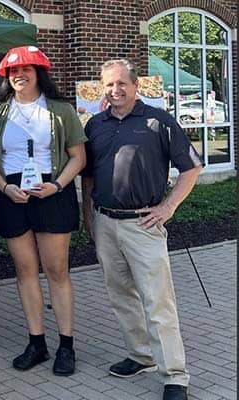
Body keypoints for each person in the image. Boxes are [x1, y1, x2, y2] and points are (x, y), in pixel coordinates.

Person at [81, 59, 202, 400]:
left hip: (143, 225)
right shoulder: (95, 125)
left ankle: (175, 374)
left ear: (135, 86)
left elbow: (191, 168)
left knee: (157, 301)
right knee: (121, 296)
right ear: (102, 88)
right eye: (109, 85)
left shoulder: (157, 121)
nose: (115, 90)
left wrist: (168, 206)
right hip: (105, 222)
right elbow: (88, 175)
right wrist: (88, 215)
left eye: (122, 84)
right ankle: (141, 354)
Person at [0, 45, 86, 376]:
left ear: (39, 73)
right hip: (12, 195)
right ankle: (36, 342)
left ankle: (65, 345)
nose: (19, 75)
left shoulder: (59, 110)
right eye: (13, 71)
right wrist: (4, 187)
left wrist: (57, 185)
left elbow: (78, 157)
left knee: (57, 271)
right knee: (25, 272)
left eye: (26, 69)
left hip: (52, 192)